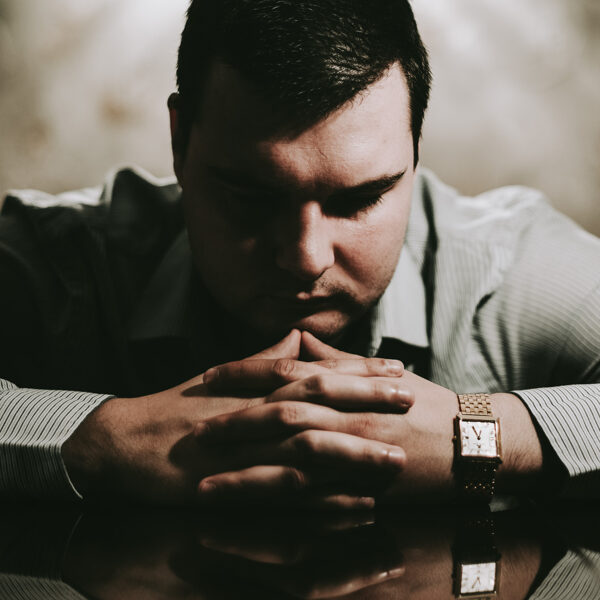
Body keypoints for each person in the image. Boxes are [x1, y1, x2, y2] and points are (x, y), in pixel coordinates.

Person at [0, 0, 598, 506]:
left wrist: (481, 436)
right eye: (251, 198)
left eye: (360, 199)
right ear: (180, 141)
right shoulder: (56, 260)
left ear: (415, 147)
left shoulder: (511, 264)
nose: (305, 258)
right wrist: (103, 441)